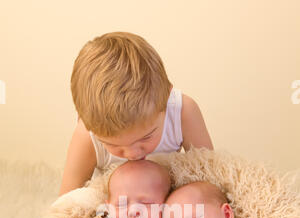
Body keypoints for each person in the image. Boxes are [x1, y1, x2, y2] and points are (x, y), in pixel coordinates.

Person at [59, 32, 213, 196]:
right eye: (114, 145)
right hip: (115, 208)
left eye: (146, 137)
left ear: (167, 98)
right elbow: (66, 203)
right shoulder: (86, 136)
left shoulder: (183, 112)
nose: (133, 154)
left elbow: (210, 179)